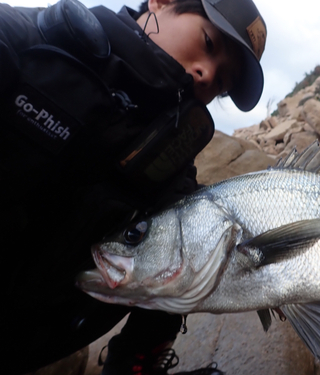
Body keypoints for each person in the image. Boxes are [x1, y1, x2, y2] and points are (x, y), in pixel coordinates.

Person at [0, 0, 266, 373]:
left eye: (222, 82)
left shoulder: (173, 173)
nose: (206, 74)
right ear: (161, 2)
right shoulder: (30, 41)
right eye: (208, 41)